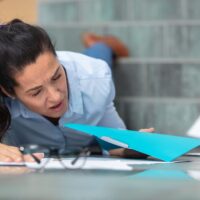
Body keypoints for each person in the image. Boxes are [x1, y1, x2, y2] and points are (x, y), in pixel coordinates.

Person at [0, 19, 153, 162]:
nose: (56, 97)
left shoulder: (94, 77)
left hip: (88, 138)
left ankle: (100, 44)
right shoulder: (3, 98)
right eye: (36, 92)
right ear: (8, 92)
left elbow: (115, 142)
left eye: (57, 76)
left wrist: (130, 147)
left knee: (98, 53)